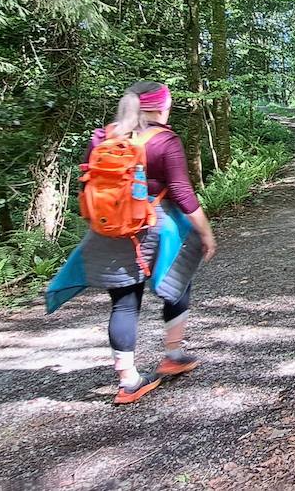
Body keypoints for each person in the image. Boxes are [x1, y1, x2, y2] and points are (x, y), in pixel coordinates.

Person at [45, 81, 217, 404]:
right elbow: (182, 194)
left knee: (124, 302)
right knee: (178, 283)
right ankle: (173, 354)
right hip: (155, 228)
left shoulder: (103, 137)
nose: (168, 112)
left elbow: (89, 188)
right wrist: (205, 233)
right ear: (158, 108)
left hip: (109, 232)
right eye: (167, 106)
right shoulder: (165, 141)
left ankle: (128, 381)